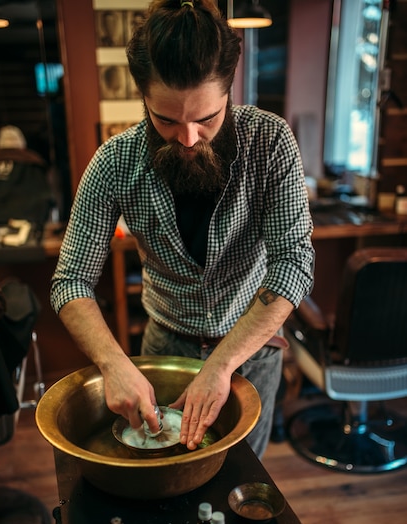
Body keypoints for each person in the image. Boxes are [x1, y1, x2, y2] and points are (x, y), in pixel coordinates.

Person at [51, 0, 314, 459]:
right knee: (166, 475)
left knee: (240, 481)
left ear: (229, 91)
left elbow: (293, 263)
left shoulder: (269, 141)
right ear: (143, 97)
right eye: (167, 119)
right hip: (163, 349)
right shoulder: (116, 161)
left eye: (206, 119)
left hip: (251, 350)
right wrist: (113, 362)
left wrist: (223, 363)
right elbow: (70, 279)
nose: (188, 138)